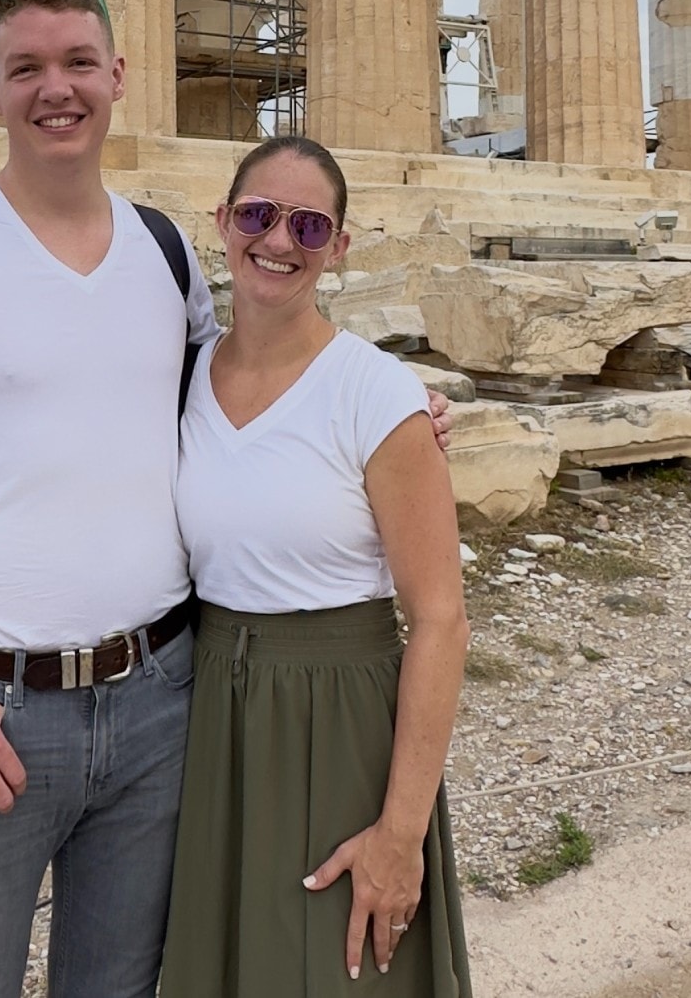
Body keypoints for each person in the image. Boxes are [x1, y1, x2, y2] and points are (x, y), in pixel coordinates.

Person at [0, 0, 454, 998]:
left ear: (117, 75)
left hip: (160, 707)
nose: (53, 88)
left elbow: (252, 377)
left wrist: (390, 407)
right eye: (25, 67)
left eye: (75, 62)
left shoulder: (165, 256)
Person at [157, 136, 473, 995]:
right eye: (258, 215)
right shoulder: (177, 377)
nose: (279, 240)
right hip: (212, 712)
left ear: (339, 246)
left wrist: (401, 835)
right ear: (222, 224)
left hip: (338, 719)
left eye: (308, 224)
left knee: (337, 969)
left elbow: (441, 618)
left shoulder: (376, 394)